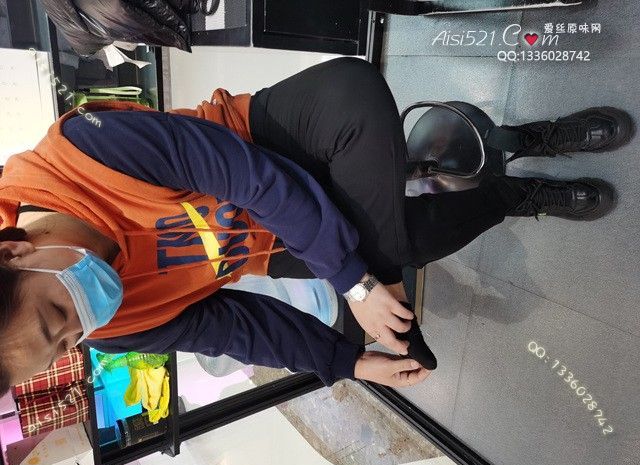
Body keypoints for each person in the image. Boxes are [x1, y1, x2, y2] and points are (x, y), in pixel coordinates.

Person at [0, 57, 633, 394]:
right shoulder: (113, 331)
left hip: (266, 143)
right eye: (65, 346)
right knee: (406, 241)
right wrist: (349, 363)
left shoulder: (85, 152)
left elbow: (252, 178)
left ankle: (514, 147)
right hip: (266, 244)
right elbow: (235, 329)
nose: (84, 325)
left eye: (56, 315)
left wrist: (358, 282)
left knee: (357, 98)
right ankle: (515, 183)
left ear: (10, 253)